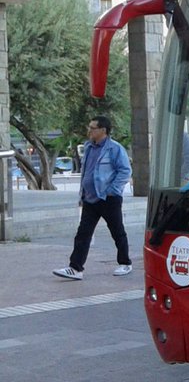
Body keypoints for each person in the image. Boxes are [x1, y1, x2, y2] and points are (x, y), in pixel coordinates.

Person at [53, 116, 134, 280]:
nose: (89, 130)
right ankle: (75, 268)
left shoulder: (114, 149)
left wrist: (112, 190)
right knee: (83, 233)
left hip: (108, 198)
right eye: (89, 127)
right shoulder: (89, 147)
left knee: (117, 231)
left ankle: (125, 263)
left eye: (93, 128)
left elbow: (125, 171)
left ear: (103, 130)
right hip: (90, 199)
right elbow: (86, 172)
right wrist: (82, 193)